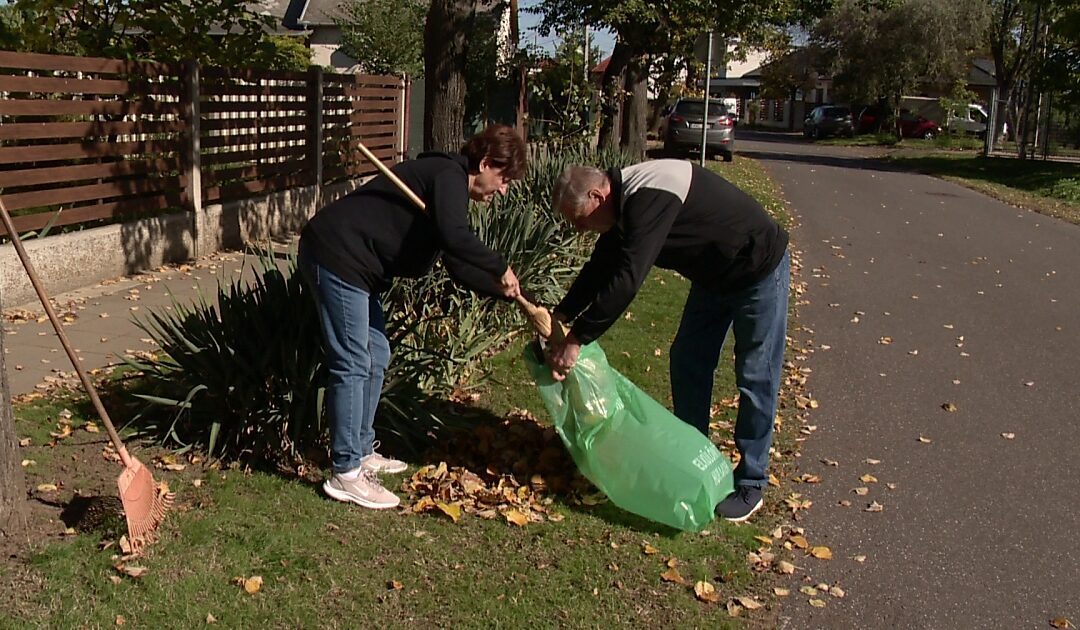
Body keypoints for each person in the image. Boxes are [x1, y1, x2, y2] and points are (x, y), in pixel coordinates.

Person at [545, 160, 790, 523]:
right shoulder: (623, 202)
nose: (580, 229)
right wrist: (561, 314)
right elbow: (602, 266)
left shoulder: (648, 197)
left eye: (579, 219)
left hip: (756, 268)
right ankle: (694, 457)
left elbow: (628, 278)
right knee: (688, 359)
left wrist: (578, 339)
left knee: (756, 374)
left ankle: (752, 481)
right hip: (714, 276)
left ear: (598, 195)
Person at [298, 124, 527, 509]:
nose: (503, 190)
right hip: (337, 255)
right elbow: (456, 236)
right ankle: (346, 473)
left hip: (359, 269)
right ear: (485, 163)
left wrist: (504, 291)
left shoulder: (446, 187)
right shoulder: (448, 176)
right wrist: (499, 264)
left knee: (376, 354)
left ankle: (360, 450)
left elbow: (456, 264)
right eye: (503, 179)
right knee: (353, 361)